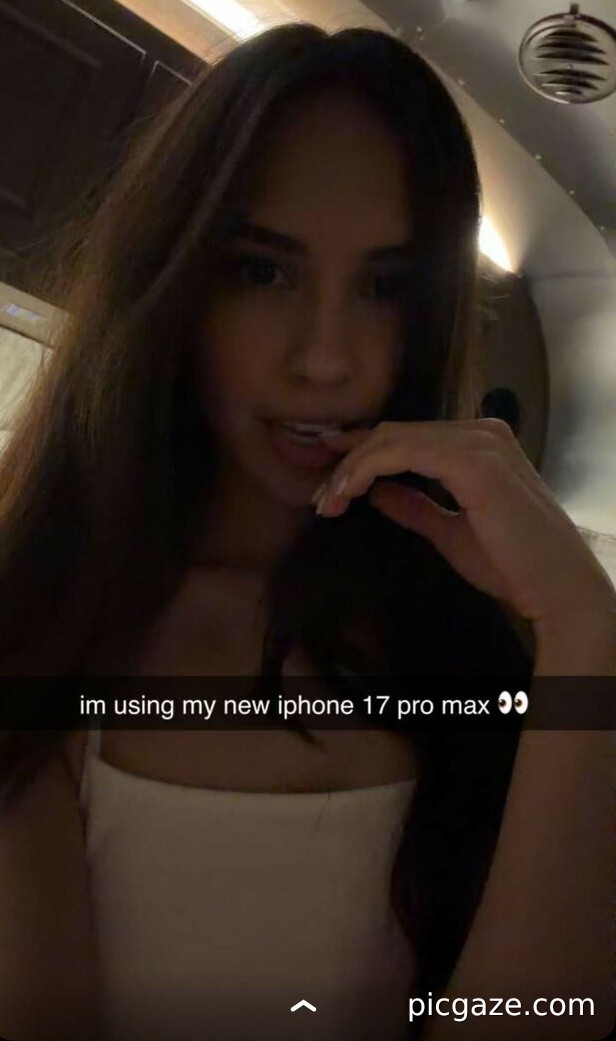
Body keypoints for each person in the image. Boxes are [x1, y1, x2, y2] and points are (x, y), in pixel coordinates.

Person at [0, 22, 614, 1041]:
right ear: (176, 277)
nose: (327, 358)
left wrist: (584, 630)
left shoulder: (469, 638)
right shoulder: (46, 620)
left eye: (382, 287)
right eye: (262, 272)